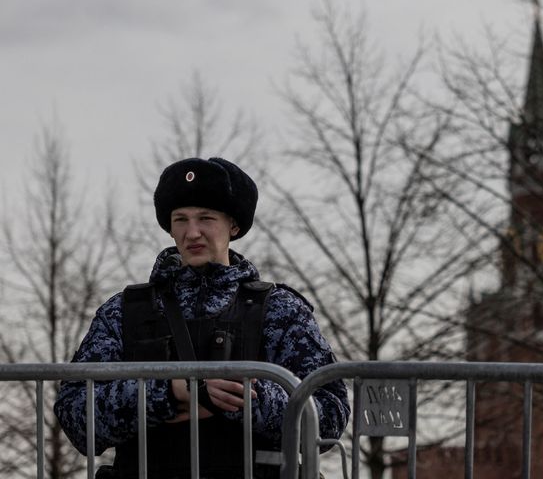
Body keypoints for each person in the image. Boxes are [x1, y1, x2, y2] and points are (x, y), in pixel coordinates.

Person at [54, 157, 350, 479]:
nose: (192, 232)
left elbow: (329, 413)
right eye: (180, 219)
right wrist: (172, 393)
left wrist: (247, 397)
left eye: (206, 218)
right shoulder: (124, 310)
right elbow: (75, 414)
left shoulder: (278, 310)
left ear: (233, 226)